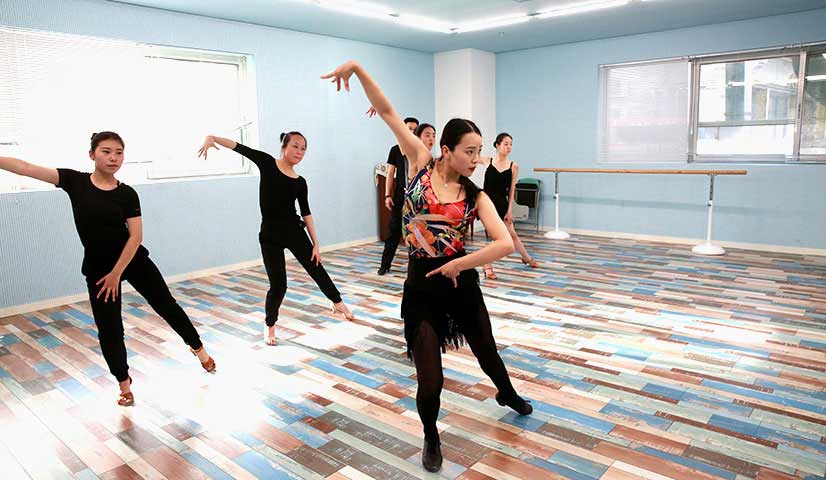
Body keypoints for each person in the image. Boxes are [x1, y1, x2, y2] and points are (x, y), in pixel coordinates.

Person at [322, 61, 533, 473]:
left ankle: (506, 392)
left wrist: (460, 265)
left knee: (487, 352)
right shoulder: (419, 161)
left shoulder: (475, 195)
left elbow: (505, 243)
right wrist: (358, 70)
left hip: (460, 286)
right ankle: (431, 436)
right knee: (430, 380)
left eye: (480, 151)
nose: (477, 159)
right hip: (420, 287)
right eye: (470, 151)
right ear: (446, 150)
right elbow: (387, 111)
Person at [0, 132, 216, 407]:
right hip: (99, 268)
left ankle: (199, 350)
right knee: (110, 329)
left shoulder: (127, 194)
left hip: (132, 260)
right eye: (106, 151)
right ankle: (124, 384)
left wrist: (116, 274)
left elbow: (135, 237)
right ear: (92, 154)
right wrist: (109, 275)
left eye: (119, 152)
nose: (113, 158)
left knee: (167, 306)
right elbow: (25, 167)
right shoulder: (75, 182)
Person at [198, 132, 354, 346]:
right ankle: (269, 325)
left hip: (294, 232)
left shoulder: (300, 182)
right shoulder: (267, 163)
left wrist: (316, 244)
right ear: (284, 147)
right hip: (270, 236)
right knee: (279, 286)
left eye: (303, 149)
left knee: (316, 268)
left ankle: (337, 302)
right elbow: (239, 147)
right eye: (295, 146)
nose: (299, 152)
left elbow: (306, 212)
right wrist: (212, 138)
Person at [482, 133, 539, 279]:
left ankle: (526, 258)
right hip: (486, 204)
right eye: (506, 144)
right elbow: (468, 159)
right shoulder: (487, 161)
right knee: (501, 236)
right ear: (497, 145)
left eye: (511, 144)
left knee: (510, 234)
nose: (509, 147)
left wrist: (509, 211)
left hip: (502, 203)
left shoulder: (514, 166)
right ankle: (488, 265)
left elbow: (512, 190)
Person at [378, 116, 419, 275]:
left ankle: (415, 269)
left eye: (415, 130)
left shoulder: (419, 149)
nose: (412, 132)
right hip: (400, 198)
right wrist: (387, 195)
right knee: (394, 231)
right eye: (409, 129)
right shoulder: (395, 150)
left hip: (417, 199)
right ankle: (385, 265)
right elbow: (390, 174)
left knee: (416, 234)